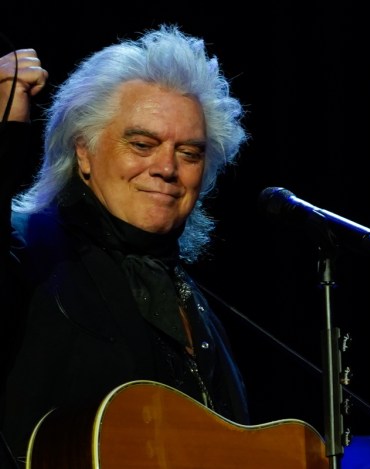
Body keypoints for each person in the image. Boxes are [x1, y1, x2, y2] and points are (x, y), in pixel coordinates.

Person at [0, 25, 252, 466]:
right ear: (84, 152)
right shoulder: (28, 250)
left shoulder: (196, 303)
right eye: (142, 144)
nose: (168, 167)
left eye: (190, 153)